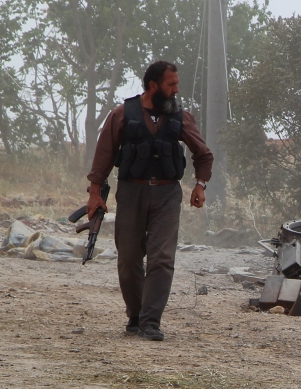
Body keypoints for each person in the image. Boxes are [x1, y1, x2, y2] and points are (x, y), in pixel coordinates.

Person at [85, 61, 213, 341]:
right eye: (171, 84)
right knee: (129, 258)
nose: (176, 90)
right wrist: (94, 194)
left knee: (162, 258)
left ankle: (151, 321)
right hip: (132, 192)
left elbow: (203, 154)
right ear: (153, 86)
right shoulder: (122, 114)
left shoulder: (182, 117)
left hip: (168, 195)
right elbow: (103, 155)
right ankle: (136, 315)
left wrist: (200, 185)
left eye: (177, 84)